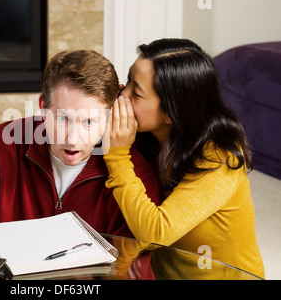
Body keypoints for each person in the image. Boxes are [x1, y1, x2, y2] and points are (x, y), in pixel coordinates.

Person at [0, 50, 160, 241]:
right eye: (63, 119)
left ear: (110, 115)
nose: (73, 139)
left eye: (89, 122)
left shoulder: (133, 174)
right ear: (43, 107)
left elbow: (134, 267)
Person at [103, 38, 265, 279]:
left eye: (135, 93)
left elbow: (155, 232)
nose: (122, 96)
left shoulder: (219, 157)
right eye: (128, 80)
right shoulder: (147, 136)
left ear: (171, 112)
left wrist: (116, 155)